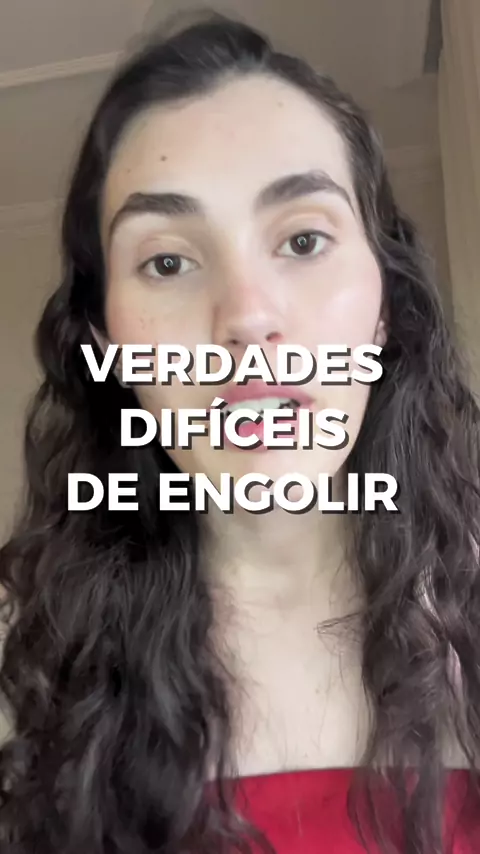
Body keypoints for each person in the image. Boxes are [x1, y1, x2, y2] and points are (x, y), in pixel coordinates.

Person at [0, 11, 479, 854]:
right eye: (167, 262)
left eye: (304, 238)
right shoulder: (31, 676)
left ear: (384, 308)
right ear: (108, 344)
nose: (247, 317)